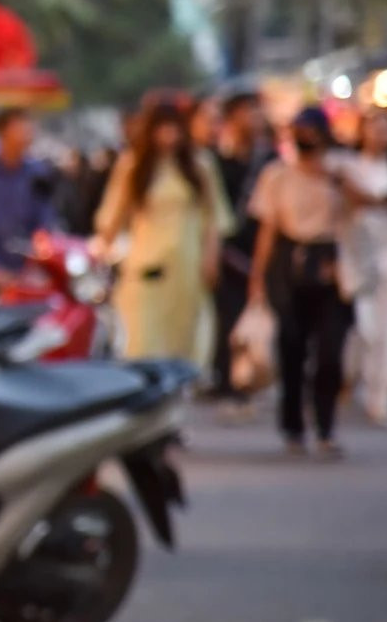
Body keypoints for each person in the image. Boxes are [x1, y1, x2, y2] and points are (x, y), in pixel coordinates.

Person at [93, 94, 232, 361]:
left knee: (185, 340)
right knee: (143, 341)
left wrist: (211, 258)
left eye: (173, 127)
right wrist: (103, 252)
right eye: (162, 127)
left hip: (188, 265)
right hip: (145, 266)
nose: (168, 134)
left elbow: (214, 219)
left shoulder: (200, 165)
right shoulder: (133, 165)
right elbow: (112, 216)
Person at [248, 106, 351, 457]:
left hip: (333, 266)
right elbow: (268, 230)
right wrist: (258, 280)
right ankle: (293, 425)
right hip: (289, 267)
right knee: (291, 346)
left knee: (330, 352)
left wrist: (335, 180)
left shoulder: (342, 171)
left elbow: (369, 209)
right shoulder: (277, 175)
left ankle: (326, 425)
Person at [337, 110, 387, 424]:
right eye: (374, 129)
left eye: (386, 130)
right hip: (357, 254)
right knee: (364, 326)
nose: (380, 136)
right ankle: (353, 382)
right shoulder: (349, 167)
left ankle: (380, 394)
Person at [209, 91, 269, 404]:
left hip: (262, 250)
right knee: (227, 316)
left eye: (257, 112)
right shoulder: (215, 160)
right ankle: (227, 379)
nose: (254, 119)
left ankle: (251, 377)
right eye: (247, 112)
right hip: (224, 251)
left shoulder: (270, 160)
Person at [0, 106, 64, 285]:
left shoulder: (38, 172)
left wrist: (39, 261)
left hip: (32, 267)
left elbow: (46, 217)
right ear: (3, 131)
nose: (27, 131)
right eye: (20, 126)